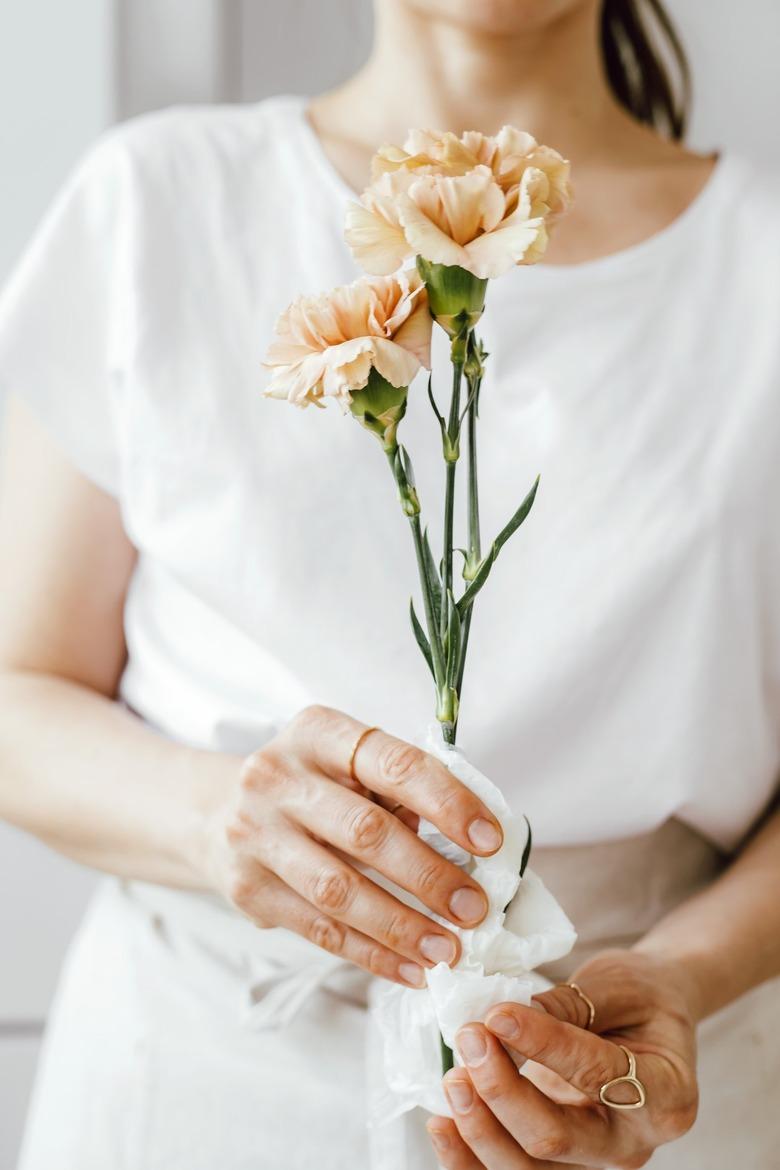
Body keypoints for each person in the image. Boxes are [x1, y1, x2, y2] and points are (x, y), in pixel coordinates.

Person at [0, 0, 779, 1166]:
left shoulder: (760, 265)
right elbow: (17, 697)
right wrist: (222, 819)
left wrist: (681, 974)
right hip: (195, 1077)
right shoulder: (156, 201)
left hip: (632, 1083)